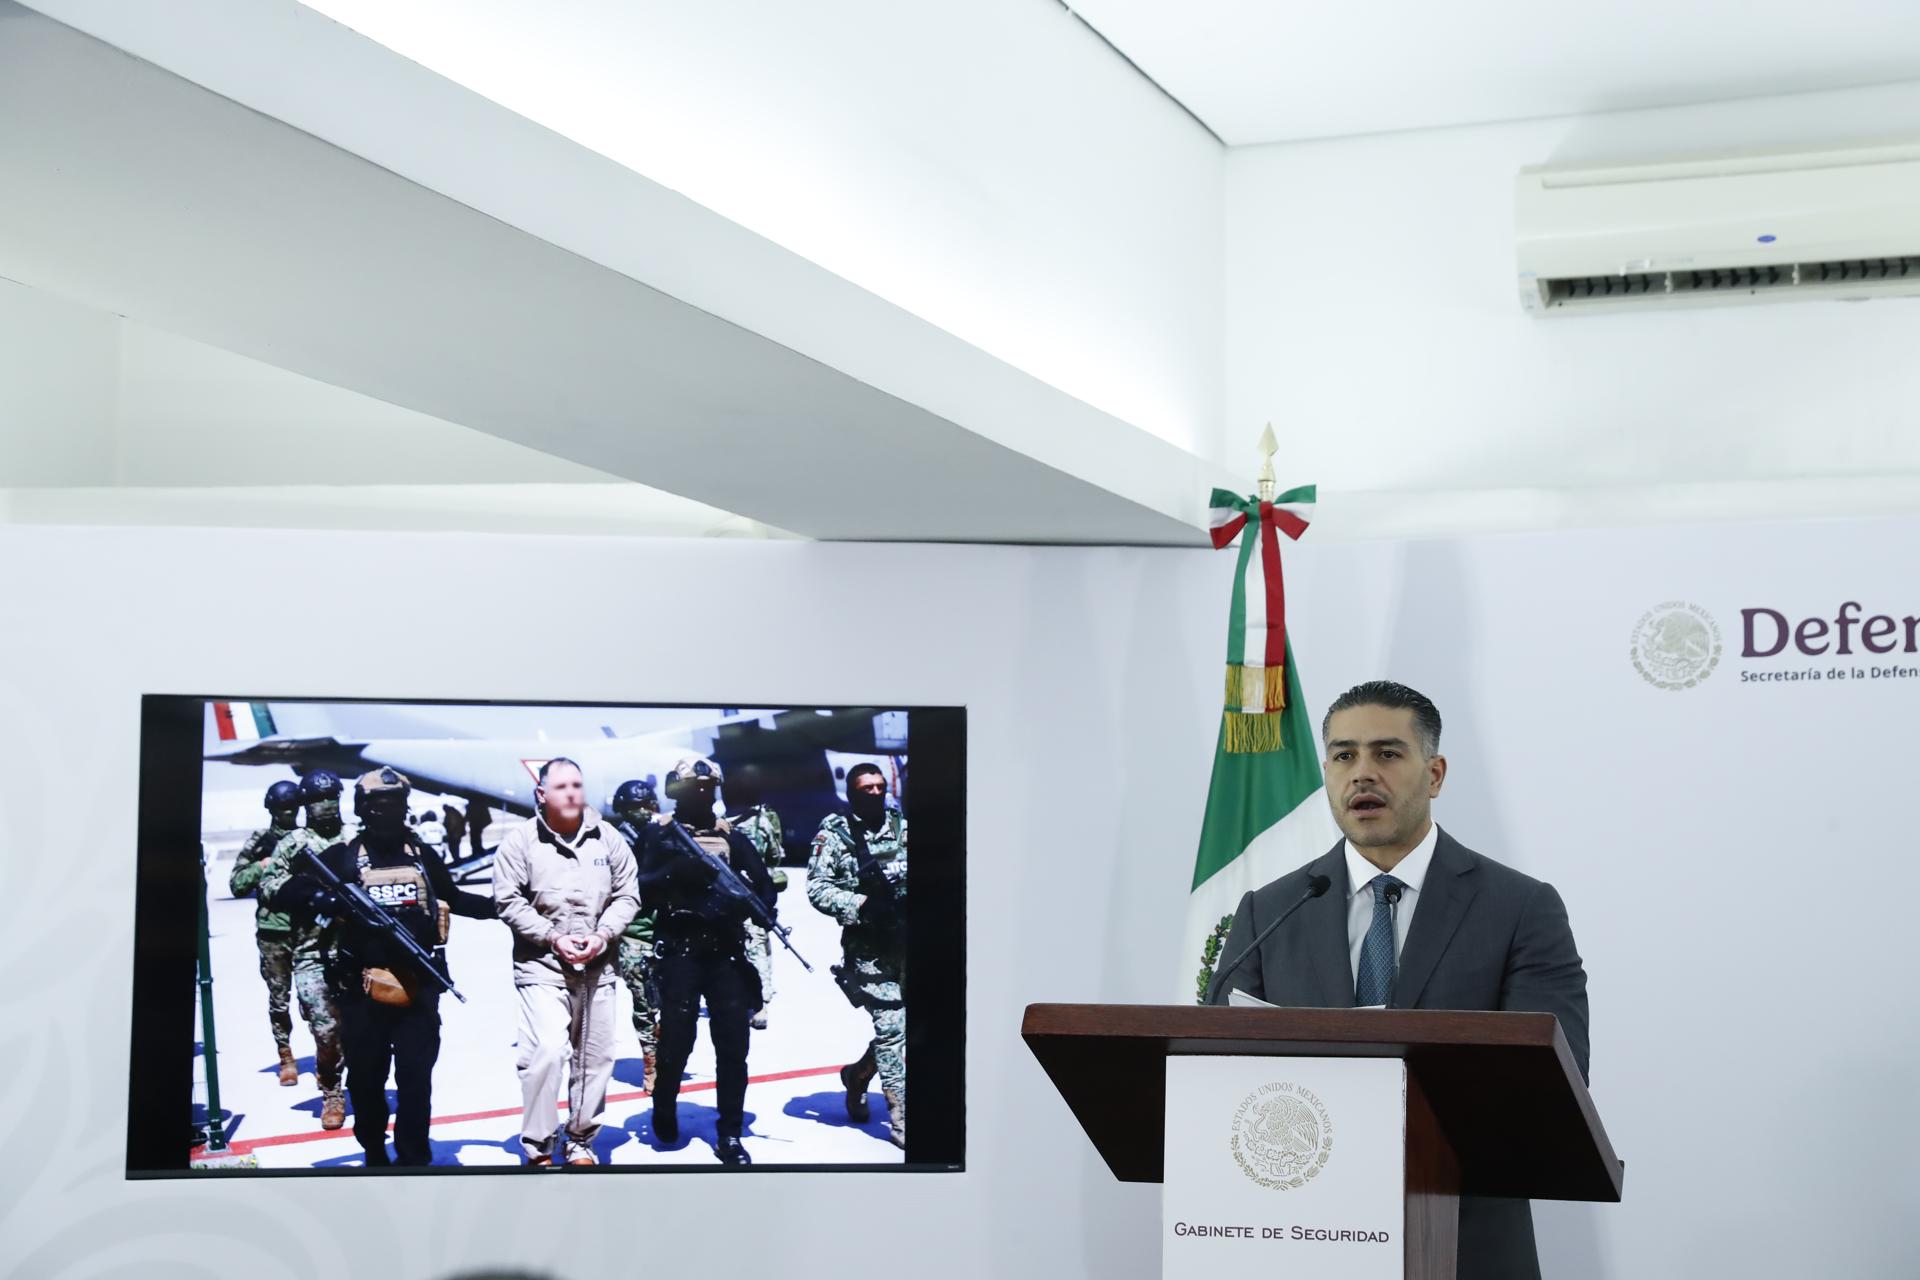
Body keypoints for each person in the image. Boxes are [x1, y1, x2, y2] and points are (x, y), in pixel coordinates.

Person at [1206, 681, 1589, 1280]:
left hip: (1464, 1242)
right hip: (1297, 1238)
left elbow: (1551, 1085)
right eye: (1343, 756)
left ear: (1434, 774)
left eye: (1387, 753)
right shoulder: (1270, 911)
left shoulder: (1519, 907)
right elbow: (1221, 1081)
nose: (1362, 774)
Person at [271, 767, 499, 1167]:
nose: (386, 812)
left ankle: (414, 1156)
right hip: (361, 994)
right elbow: (286, 888)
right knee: (365, 1081)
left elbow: (456, 899)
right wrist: (324, 901)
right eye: (377, 805)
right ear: (362, 808)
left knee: (415, 1080)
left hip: (418, 990)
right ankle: (374, 1150)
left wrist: (509, 907)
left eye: (394, 804)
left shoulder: (422, 856)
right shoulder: (343, 857)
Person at [494, 758, 639, 1168]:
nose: (572, 792)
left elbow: (628, 894)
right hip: (542, 965)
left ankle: (580, 1140)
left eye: (577, 784)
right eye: (562, 787)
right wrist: (553, 937)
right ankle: (539, 1145)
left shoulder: (608, 839)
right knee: (546, 1050)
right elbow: (508, 900)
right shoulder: (520, 842)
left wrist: (602, 935)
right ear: (542, 795)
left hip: (598, 966)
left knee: (595, 1058)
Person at [639, 755, 777, 1166]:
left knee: (734, 1046)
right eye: (695, 789)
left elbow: (766, 888)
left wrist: (746, 906)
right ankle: (665, 1106)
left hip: (726, 952)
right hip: (680, 950)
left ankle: (730, 1132)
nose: (703, 796)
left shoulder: (730, 835)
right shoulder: (659, 835)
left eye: (709, 789)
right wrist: (674, 873)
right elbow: (639, 890)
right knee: (678, 1042)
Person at [806, 763, 908, 1149]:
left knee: (904, 1031)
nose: (876, 793)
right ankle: (901, 1118)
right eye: (866, 788)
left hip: (908, 944)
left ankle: (858, 1075)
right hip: (869, 951)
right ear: (851, 792)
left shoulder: (902, 828)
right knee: (891, 1029)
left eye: (881, 786)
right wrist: (860, 903)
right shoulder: (835, 835)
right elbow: (817, 888)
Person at [254, 770, 353, 1130]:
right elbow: (268, 885)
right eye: (316, 800)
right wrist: (309, 894)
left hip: (357, 952)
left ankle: (365, 1084)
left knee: (362, 1030)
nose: (325, 806)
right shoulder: (296, 842)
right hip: (312, 953)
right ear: (306, 805)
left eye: (331, 799)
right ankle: (331, 1090)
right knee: (325, 1031)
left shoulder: (356, 836)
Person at [228, 779, 303, 1085]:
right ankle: (285, 1055)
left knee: (317, 999)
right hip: (274, 932)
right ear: (271, 809)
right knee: (279, 999)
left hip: (309, 928)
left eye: (291, 807)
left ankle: (329, 1055)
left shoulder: (306, 838)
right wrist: (262, 866)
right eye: (282, 808)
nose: (287, 813)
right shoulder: (260, 841)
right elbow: (236, 884)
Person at [608, 778, 663, 1091]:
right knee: (644, 1003)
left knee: (675, 1002)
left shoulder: (663, 836)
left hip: (669, 934)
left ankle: (663, 1046)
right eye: (633, 807)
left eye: (645, 805)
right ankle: (651, 1062)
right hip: (634, 934)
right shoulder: (613, 843)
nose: (641, 812)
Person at [729, 801, 787, 1030]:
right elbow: (774, 855)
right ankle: (761, 1005)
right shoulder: (761, 821)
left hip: (731, 895)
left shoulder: (721, 822)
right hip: (754, 895)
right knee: (757, 949)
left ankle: (754, 1001)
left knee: (742, 948)